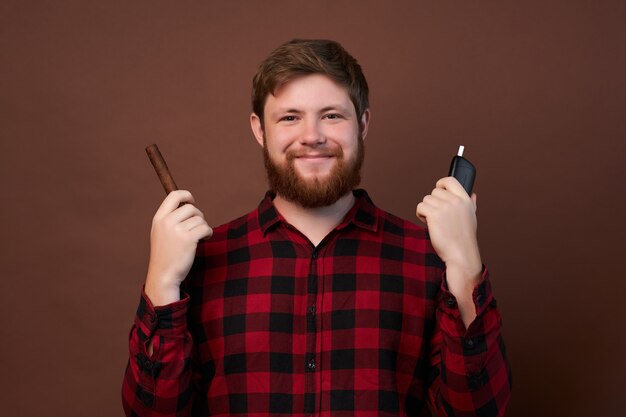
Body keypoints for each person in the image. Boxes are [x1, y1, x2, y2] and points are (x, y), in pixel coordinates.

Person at [122, 39, 511, 417]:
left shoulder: (426, 258)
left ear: (362, 124)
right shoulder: (201, 259)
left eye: (332, 115)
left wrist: (463, 263)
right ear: (260, 130)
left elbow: (478, 411)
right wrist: (161, 283)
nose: (312, 136)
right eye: (290, 117)